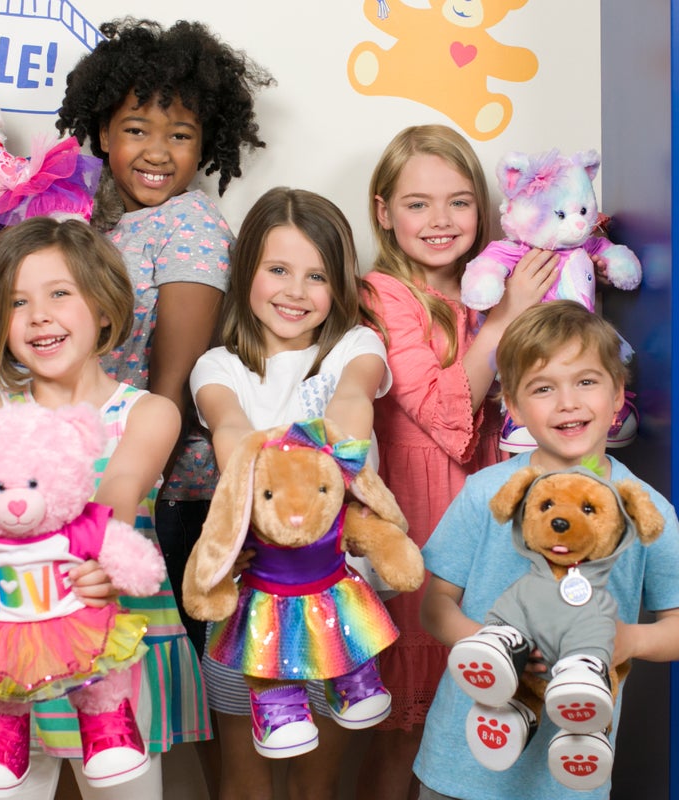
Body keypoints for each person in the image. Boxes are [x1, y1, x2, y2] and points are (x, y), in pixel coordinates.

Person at [54, 16, 274, 663]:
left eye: (179, 135)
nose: (157, 150)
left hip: (172, 491)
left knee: (195, 684)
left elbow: (173, 386)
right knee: (94, 675)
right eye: (135, 130)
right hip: (107, 475)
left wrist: (133, 488)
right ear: (101, 132)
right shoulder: (97, 227)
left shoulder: (190, 223)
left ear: (204, 141)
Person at [0, 217, 184, 799]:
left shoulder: (147, 413)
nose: (38, 315)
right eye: (16, 301)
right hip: (9, 663)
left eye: (60, 293)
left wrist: (92, 559)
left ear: (104, 308)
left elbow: (120, 489)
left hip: (113, 656)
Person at [357, 124, 560, 799]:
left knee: (478, 723)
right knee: (406, 735)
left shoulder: (489, 290)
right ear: (383, 212)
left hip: (489, 533)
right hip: (420, 530)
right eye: (417, 203)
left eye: (459, 201)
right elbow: (447, 415)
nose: (440, 221)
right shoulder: (383, 295)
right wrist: (504, 321)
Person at [415, 300, 679, 799]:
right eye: (542, 388)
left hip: (569, 777)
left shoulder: (649, 511)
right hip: (463, 762)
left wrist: (630, 641)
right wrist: (496, 651)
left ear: (619, 393)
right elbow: (434, 607)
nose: (567, 403)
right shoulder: (486, 494)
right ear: (511, 406)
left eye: (586, 381)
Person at [189, 186, 391, 800]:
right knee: (244, 774)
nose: (295, 292)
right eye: (278, 270)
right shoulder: (219, 367)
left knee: (317, 779)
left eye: (317, 277)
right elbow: (229, 429)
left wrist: (332, 476)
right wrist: (250, 531)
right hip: (250, 604)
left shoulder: (356, 347)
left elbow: (354, 398)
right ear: (247, 269)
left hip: (338, 609)